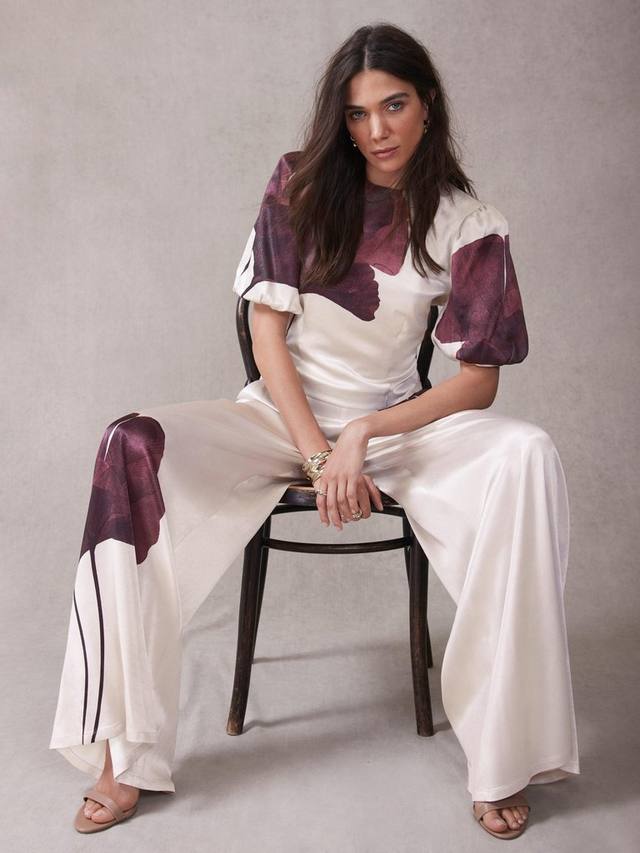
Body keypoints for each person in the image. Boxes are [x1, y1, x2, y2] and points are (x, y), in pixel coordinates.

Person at [49, 22, 580, 839]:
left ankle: (504, 755)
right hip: (279, 419)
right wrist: (318, 452)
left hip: (394, 429)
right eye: (358, 113)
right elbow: (268, 335)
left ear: (427, 105)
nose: (377, 130)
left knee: (528, 454)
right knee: (129, 443)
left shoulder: (469, 222)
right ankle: (124, 754)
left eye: (394, 106)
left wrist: (364, 433)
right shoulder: (296, 185)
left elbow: (479, 379)